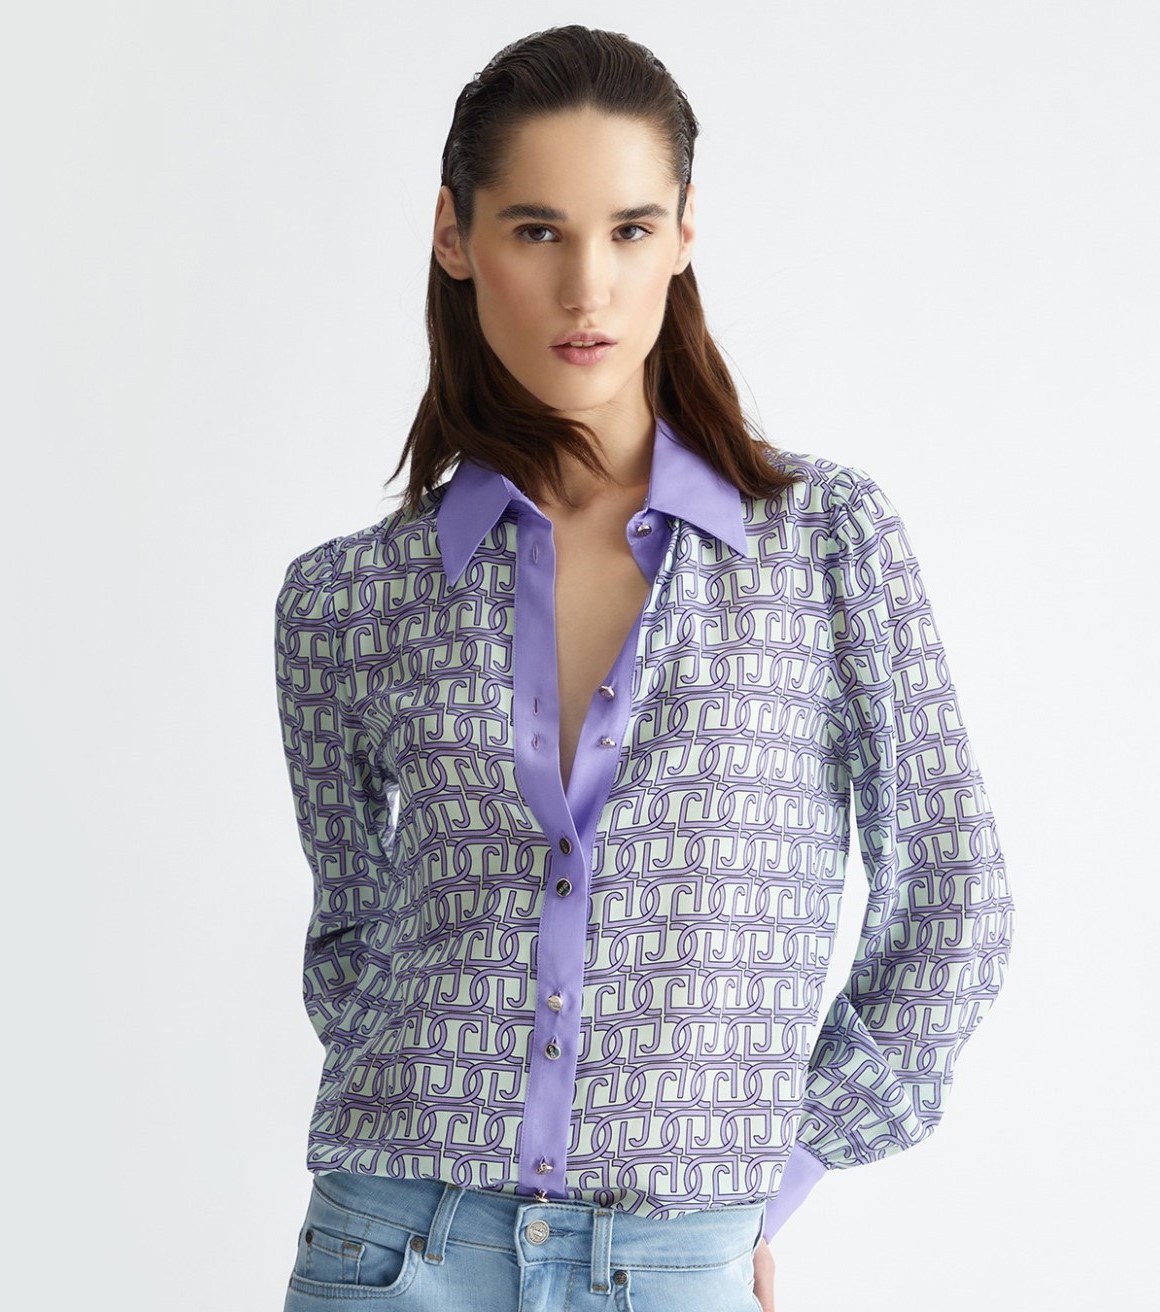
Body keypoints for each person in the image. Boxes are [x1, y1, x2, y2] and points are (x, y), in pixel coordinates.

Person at [273, 24, 1015, 1312]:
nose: (588, 291)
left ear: (683, 234)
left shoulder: (824, 545)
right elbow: (351, 942)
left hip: (674, 1255)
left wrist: (772, 1174)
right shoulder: (346, 600)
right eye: (537, 230)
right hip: (391, 1249)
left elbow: (955, 902)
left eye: (629, 230)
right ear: (455, 235)